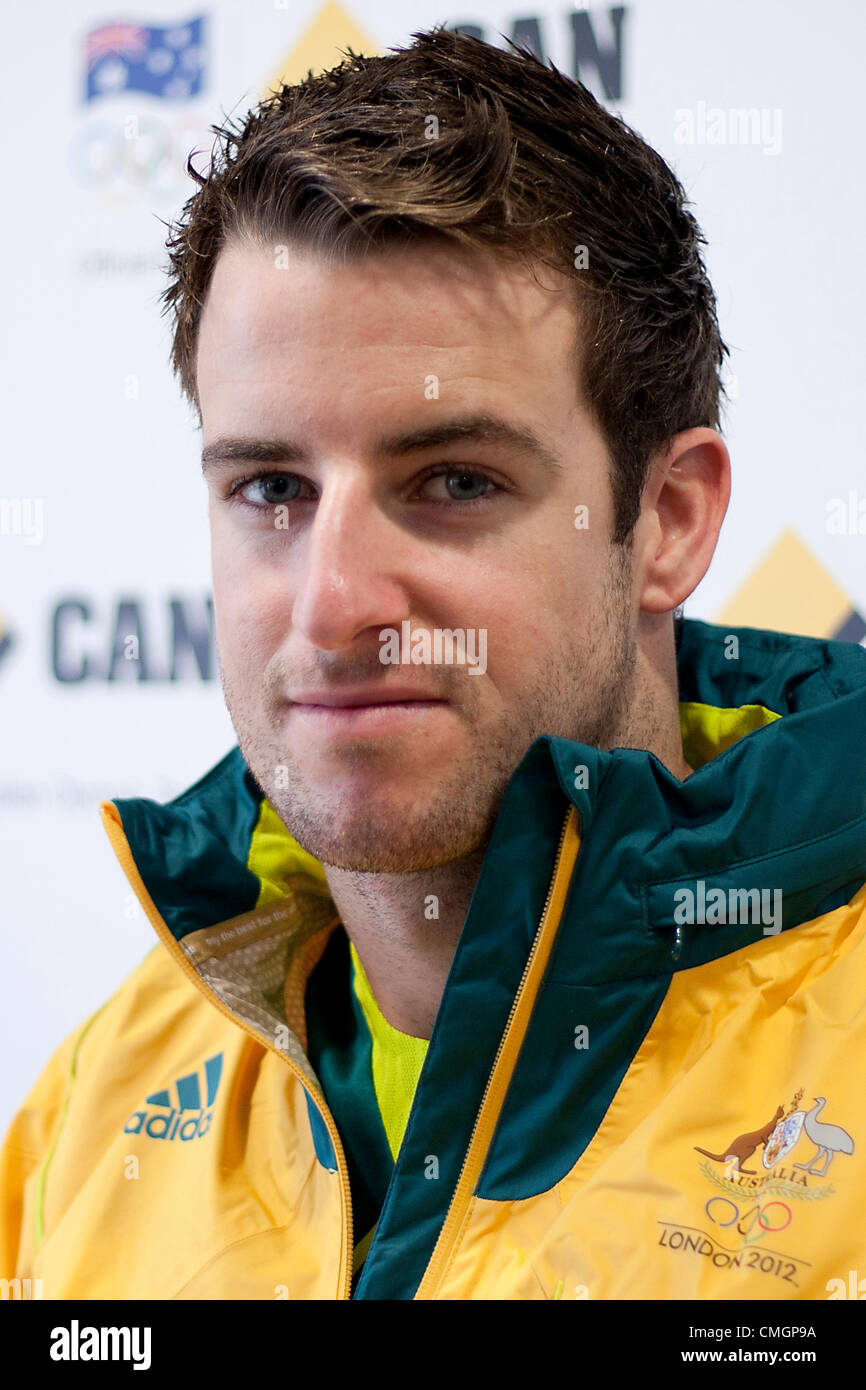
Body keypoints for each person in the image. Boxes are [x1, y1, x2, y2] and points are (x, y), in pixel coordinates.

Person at [2, 24, 865, 1302]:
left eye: (454, 480)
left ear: (667, 521)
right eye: (271, 488)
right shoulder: (98, 1102)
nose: (334, 601)